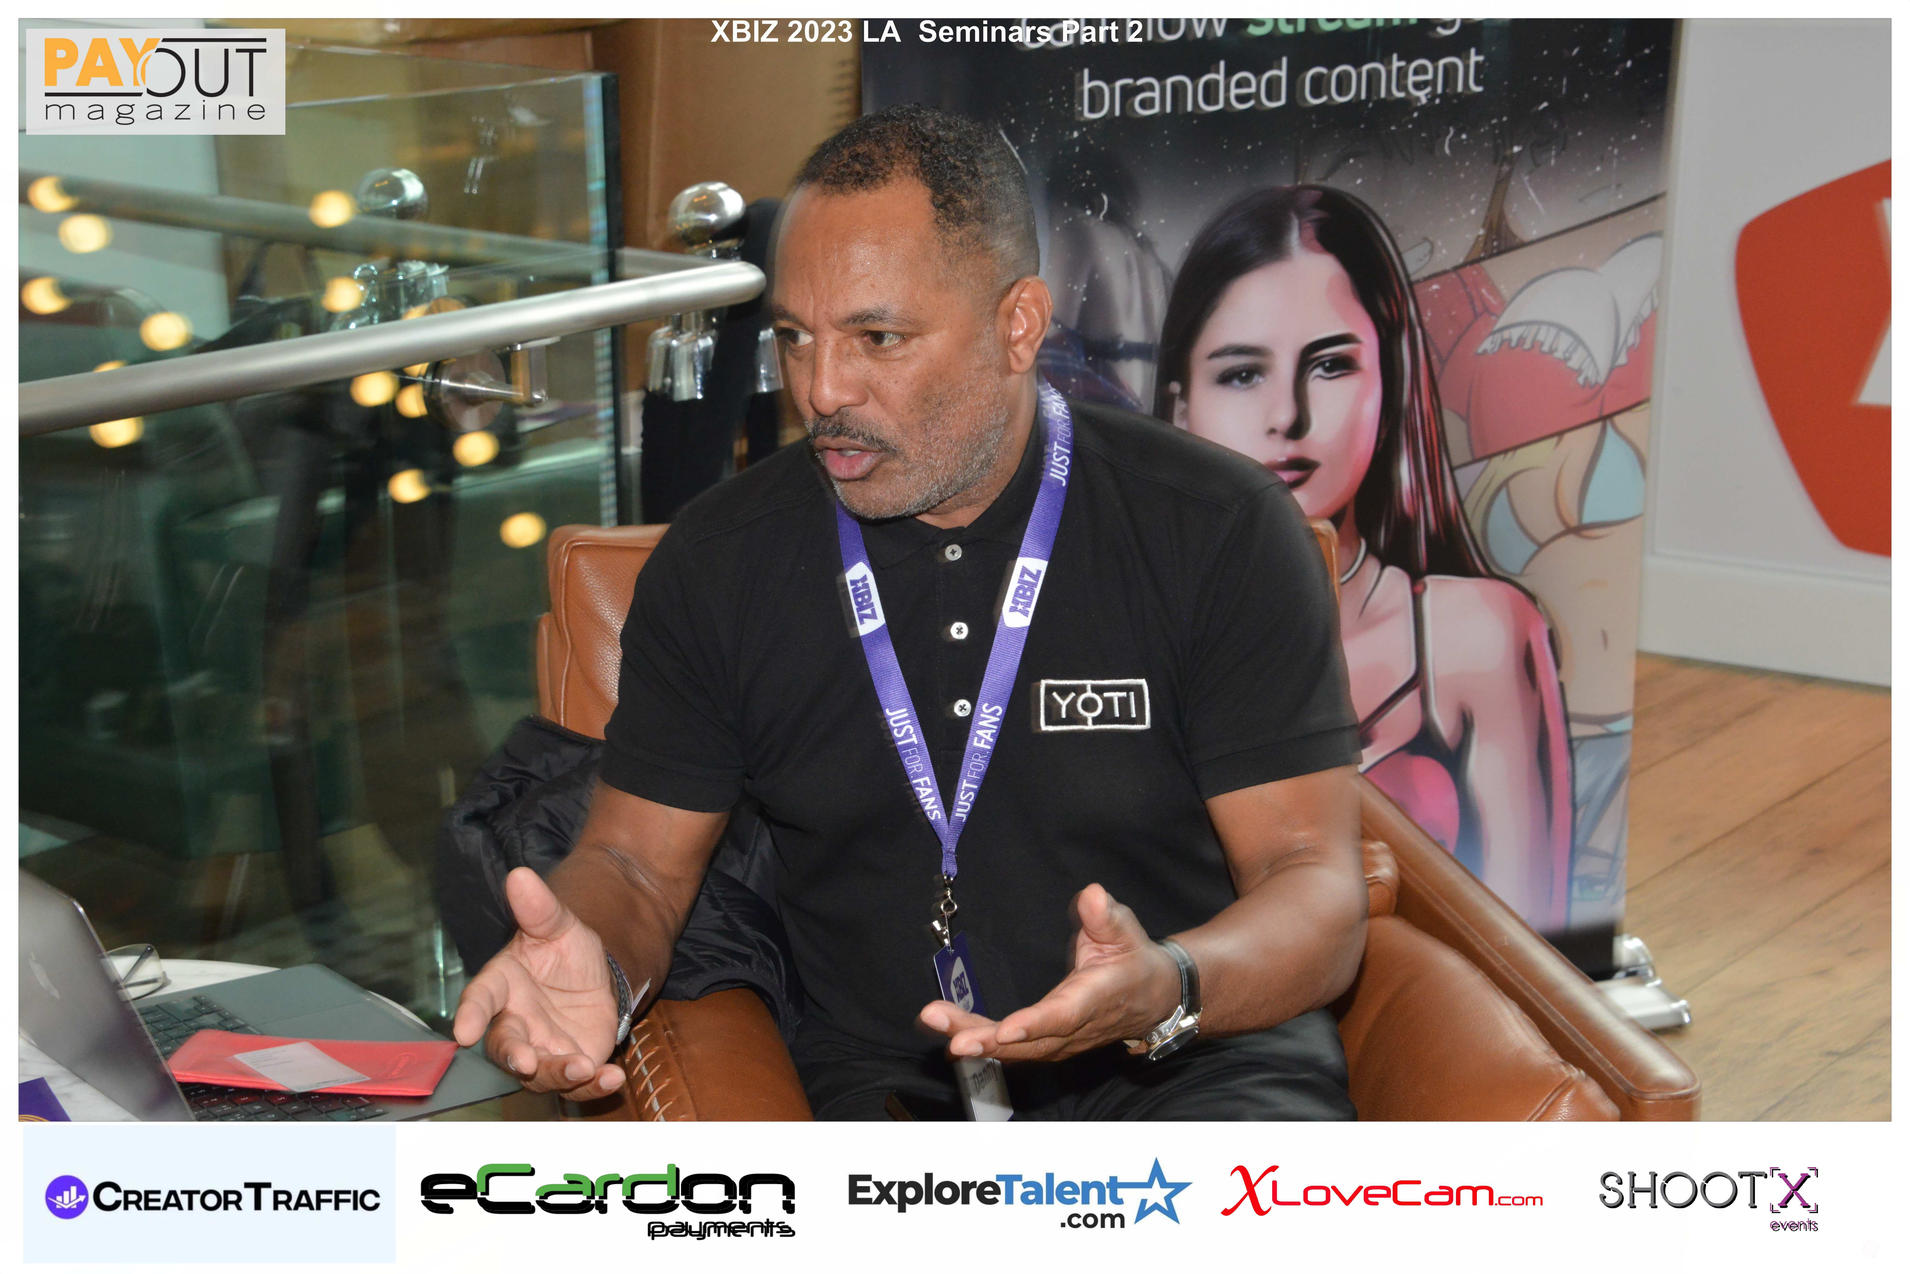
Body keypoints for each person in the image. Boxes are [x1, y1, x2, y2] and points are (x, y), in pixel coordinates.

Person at [453, 107, 1367, 1120]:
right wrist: (592, 956)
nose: (821, 390)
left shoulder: (1215, 527)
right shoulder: (722, 561)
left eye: (876, 338)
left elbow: (1312, 885)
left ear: (1018, 326)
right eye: (795, 337)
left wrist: (1169, 983)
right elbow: (634, 865)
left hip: (1185, 1065)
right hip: (884, 1082)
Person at [1153, 186, 1572, 930]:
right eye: (1242, 373)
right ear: (1181, 406)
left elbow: (1530, 963)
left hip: (1425, 1005)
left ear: (1391, 383)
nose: (1288, 416)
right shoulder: (1113, 627)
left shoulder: (1475, 634)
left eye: (1330, 366)